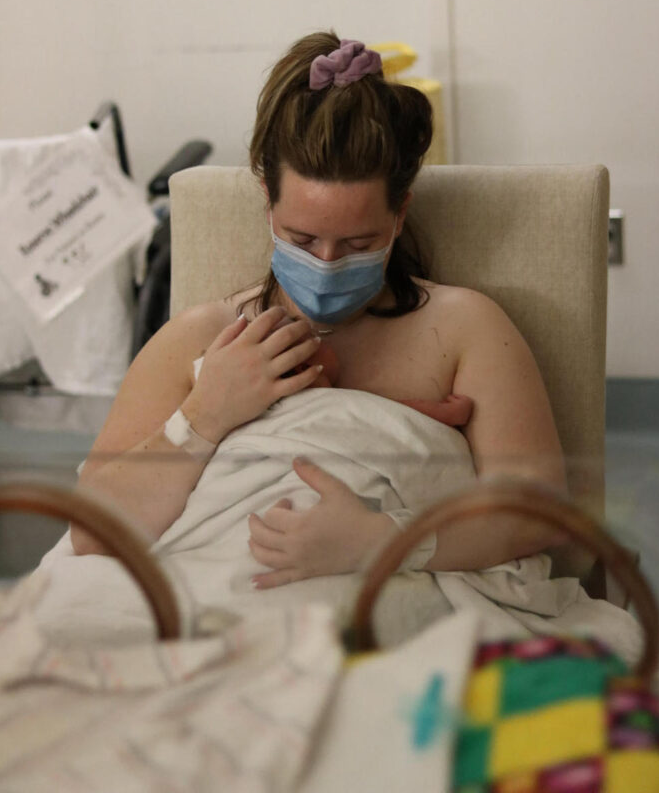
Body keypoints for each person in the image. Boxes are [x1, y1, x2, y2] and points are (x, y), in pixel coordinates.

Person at [72, 32, 567, 585]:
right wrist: (205, 415)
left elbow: (539, 515)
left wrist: (389, 540)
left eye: (358, 244)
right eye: (303, 239)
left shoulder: (465, 329)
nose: (328, 264)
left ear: (400, 214)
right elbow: (92, 532)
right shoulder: (201, 338)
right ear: (267, 204)